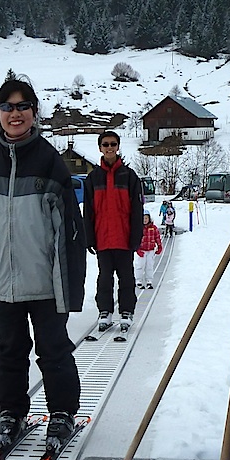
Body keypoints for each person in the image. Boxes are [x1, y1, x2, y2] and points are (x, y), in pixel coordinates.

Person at [0, 77, 87, 453]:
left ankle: (61, 413)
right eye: (7, 107)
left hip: (45, 282)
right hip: (2, 283)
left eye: (22, 106)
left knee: (54, 351)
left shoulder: (49, 162)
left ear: (34, 112)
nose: (14, 114)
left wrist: (69, 288)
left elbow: (70, 233)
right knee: (9, 352)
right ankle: (11, 412)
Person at [83, 130, 144, 333]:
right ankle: (105, 312)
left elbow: (137, 210)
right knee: (104, 278)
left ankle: (126, 311)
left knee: (126, 278)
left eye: (113, 144)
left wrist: (136, 237)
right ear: (100, 148)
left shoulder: (129, 176)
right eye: (106, 144)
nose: (109, 148)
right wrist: (89, 237)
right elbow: (88, 211)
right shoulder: (93, 178)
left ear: (118, 147)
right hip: (102, 239)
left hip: (124, 238)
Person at [134, 211, 162, 290]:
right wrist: (137, 249)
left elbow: (157, 237)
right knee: (140, 265)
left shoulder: (153, 228)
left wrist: (159, 246)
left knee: (149, 266)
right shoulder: (139, 228)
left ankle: (149, 281)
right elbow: (135, 239)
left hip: (150, 250)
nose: (145, 220)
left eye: (146, 218)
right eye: (143, 218)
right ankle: (138, 280)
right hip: (141, 250)